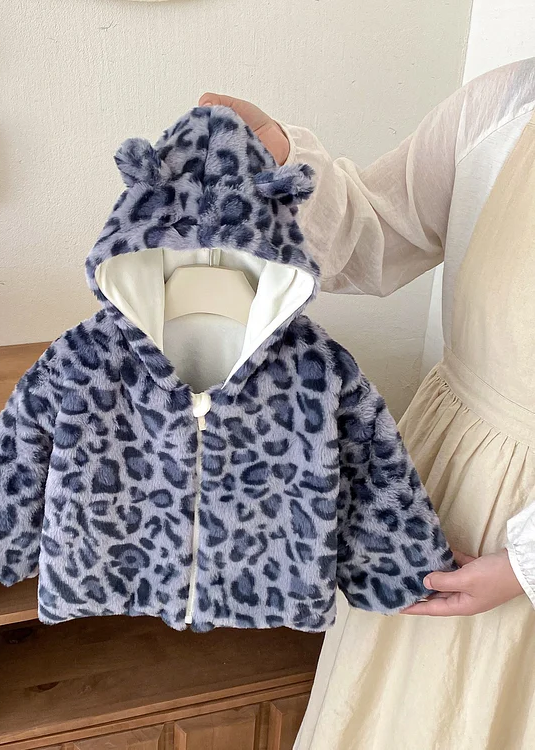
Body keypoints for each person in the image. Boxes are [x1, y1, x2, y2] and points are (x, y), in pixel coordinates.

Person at [200, 57, 535, 749]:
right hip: (448, 472)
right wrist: (284, 167)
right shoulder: (507, 101)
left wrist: (526, 563)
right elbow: (379, 229)